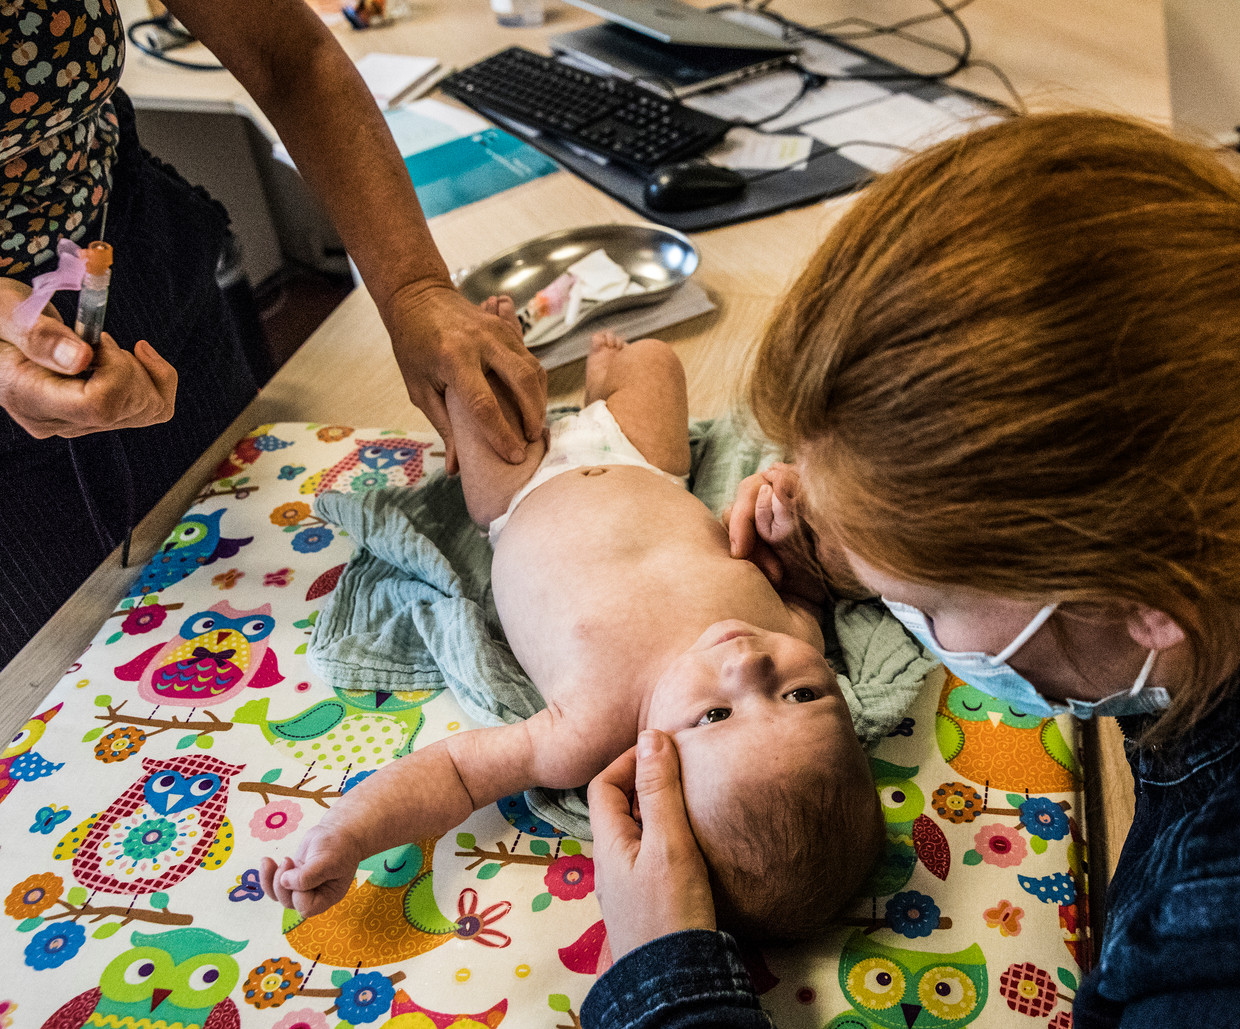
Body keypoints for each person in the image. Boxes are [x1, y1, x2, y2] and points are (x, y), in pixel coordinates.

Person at [583, 111, 1240, 1026]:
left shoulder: (1208, 958)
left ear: (1144, 597)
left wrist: (667, 979)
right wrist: (861, 513)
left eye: (917, 595)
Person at [260, 325, 884, 942]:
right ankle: (601, 383)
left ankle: (504, 345)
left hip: (517, 496)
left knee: (475, 392)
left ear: (649, 783)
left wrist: (345, 834)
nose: (750, 667)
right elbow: (807, 584)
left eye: (715, 717)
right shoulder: (790, 629)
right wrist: (788, 536)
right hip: (646, 462)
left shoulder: (586, 733)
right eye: (803, 696)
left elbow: (455, 773)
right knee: (657, 361)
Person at [0, 0, 545, 665]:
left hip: (134, 253)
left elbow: (290, 55)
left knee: (269, 611)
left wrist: (414, 288)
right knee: (53, 680)